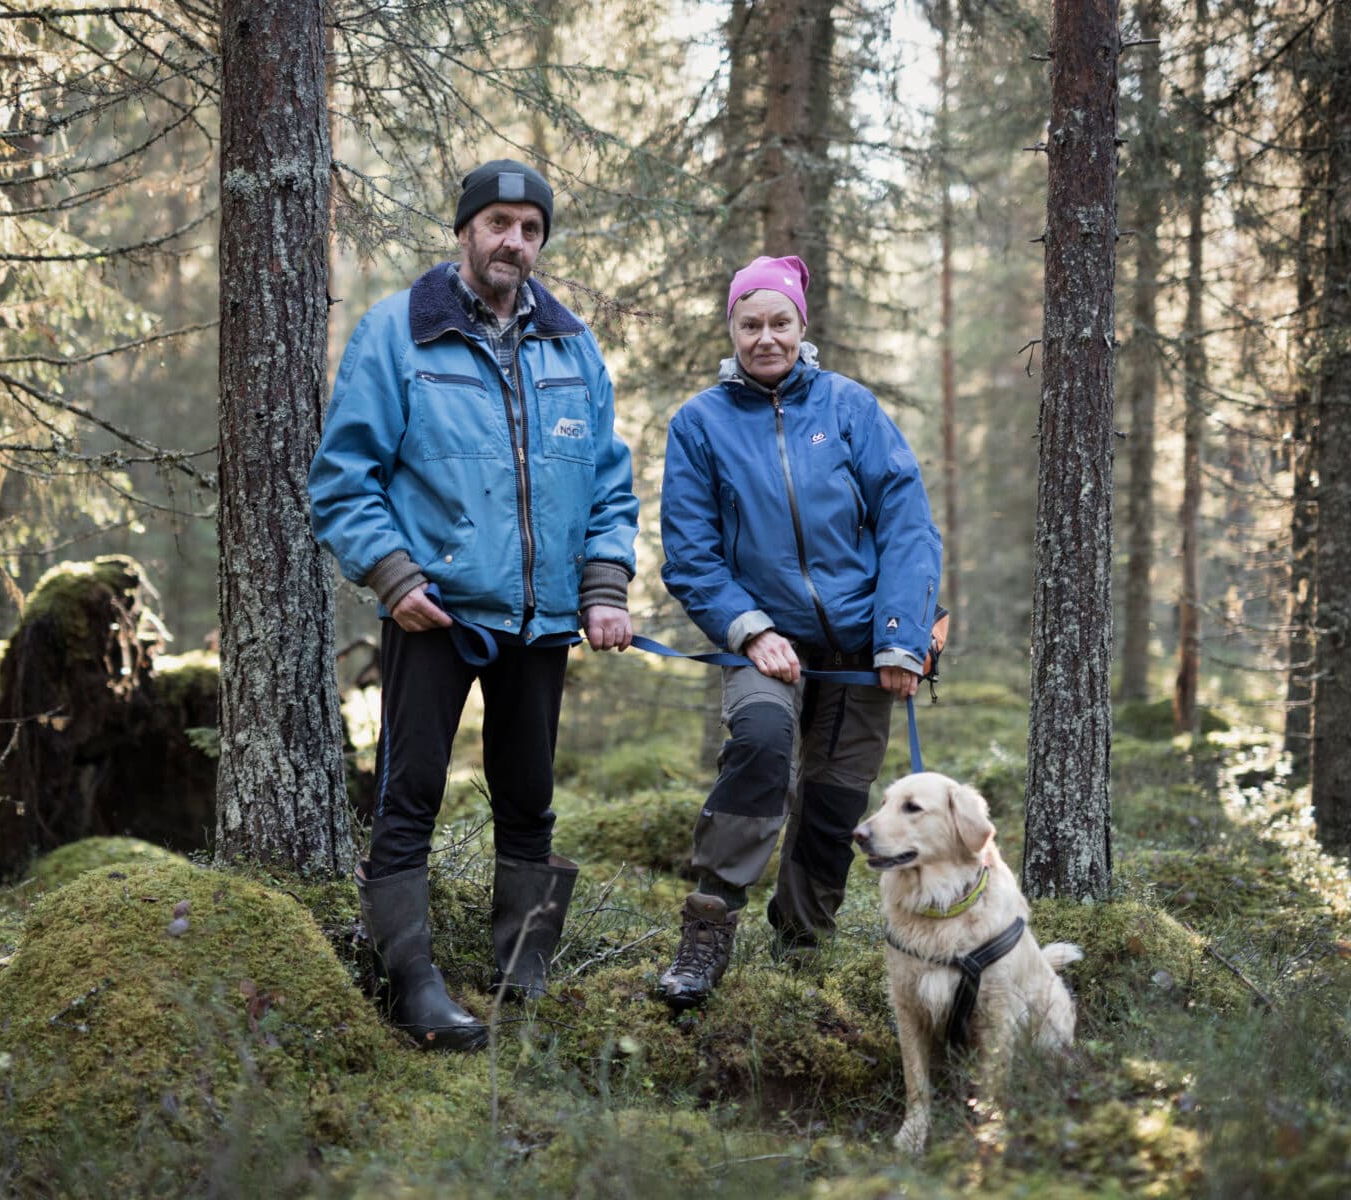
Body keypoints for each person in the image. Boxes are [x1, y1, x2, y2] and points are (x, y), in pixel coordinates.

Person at [308, 160, 639, 1050]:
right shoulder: (397, 334)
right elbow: (345, 478)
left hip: (542, 620)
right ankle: (411, 983)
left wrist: (604, 587)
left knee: (528, 798)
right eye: (498, 223)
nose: (514, 243)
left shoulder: (572, 348)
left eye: (531, 229)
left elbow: (609, 484)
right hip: (437, 616)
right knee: (408, 793)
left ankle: (522, 963)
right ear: (465, 230)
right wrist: (394, 578)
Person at [657, 254, 942, 1009]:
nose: (765, 338)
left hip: (862, 648)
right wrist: (748, 630)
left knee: (837, 800)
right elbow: (690, 555)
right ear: (731, 328)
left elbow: (907, 525)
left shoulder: (851, 409)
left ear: (801, 326)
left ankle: (803, 944)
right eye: (750, 324)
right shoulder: (699, 424)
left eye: (779, 322)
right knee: (759, 743)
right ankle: (709, 926)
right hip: (763, 640)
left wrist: (899, 637)